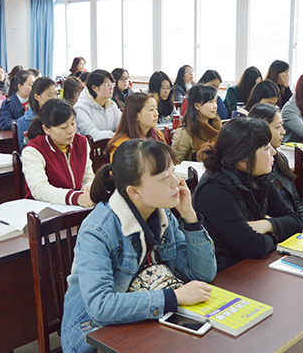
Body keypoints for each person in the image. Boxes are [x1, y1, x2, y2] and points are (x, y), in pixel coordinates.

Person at [62, 139, 217, 353]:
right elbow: (100, 307)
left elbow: (202, 274)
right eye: (165, 178)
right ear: (134, 192)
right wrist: (174, 297)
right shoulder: (97, 231)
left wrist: (189, 216)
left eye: (174, 172)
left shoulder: (163, 213)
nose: (177, 182)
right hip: (95, 336)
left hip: (148, 318)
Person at [192, 117, 303, 271]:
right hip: (226, 274)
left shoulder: (258, 176)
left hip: (253, 267)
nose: (274, 151)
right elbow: (255, 247)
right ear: (243, 161)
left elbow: (296, 221)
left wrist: (267, 225)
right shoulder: (215, 191)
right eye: (265, 148)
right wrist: (279, 231)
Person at [248, 103, 303, 227]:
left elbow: (297, 204)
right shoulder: (254, 168)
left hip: (294, 225)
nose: (283, 132)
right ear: (262, 128)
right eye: (278, 127)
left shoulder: (280, 159)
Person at [22, 99, 94, 206]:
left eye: (73, 123)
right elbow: (39, 189)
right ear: (46, 129)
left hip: (76, 206)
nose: (71, 130)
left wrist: (87, 186)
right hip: (44, 209)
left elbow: (88, 176)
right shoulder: (33, 151)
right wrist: (74, 197)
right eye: (63, 127)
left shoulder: (81, 143)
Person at [107, 92, 166, 160]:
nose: (156, 114)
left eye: (156, 109)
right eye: (151, 110)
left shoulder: (158, 135)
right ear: (136, 115)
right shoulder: (121, 145)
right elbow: (119, 170)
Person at [172, 85, 221, 165]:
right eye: (210, 102)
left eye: (215, 101)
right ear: (197, 105)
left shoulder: (218, 127)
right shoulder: (185, 133)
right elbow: (175, 164)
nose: (215, 106)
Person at [74, 69, 121, 141]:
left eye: (112, 84)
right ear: (94, 88)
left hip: (109, 147)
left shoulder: (111, 105)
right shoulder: (80, 108)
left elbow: (122, 125)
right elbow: (92, 134)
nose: (112, 88)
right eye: (108, 85)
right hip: (90, 150)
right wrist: (116, 135)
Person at [16, 77, 58, 150]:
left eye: (55, 94)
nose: (53, 98)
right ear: (36, 97)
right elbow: (25, 150)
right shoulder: (24, 122)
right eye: (49, 95)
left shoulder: (61, 114)